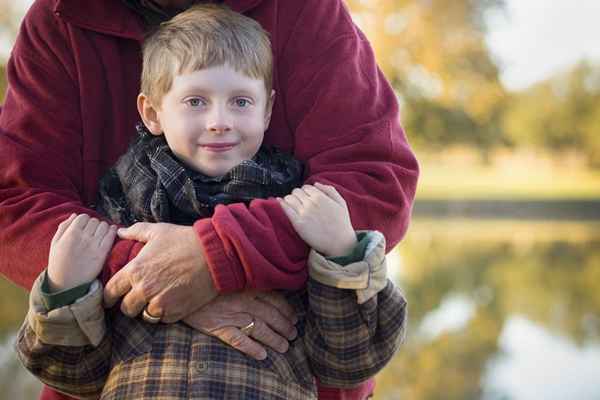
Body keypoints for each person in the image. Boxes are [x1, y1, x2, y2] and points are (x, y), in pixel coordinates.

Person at [0, 0, 419, 399]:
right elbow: (18, 201)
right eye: (196, 102)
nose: (219, 123)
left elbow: (375, 181)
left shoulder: (308, 12)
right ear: (150, 113)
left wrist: (217, 258)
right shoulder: (58, 21)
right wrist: (147, 276)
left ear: (266, 109)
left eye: (240, 102)